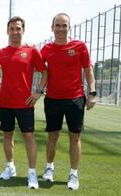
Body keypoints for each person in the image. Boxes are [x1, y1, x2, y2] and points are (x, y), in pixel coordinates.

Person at [40, 13, 96, 190]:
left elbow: (88, 71)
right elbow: (39, 69)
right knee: (52, 136)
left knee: (75, 137)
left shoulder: (79, 46)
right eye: (58, 25)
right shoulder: (46, 49)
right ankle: (49, 168)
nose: (61, 29)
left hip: (75, 99)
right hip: (53, 99)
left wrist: (92, 93)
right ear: (52, 28)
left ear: (69, 27)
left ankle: (74, 173)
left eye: (64, 25)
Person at [0, 16, 47, 189]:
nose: (15, 32)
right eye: (12, 29)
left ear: (23, 31)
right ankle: (10, 167)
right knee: (7, 135)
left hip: (25, 103)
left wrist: (38, 92)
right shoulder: (1, 53)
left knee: (29, 137)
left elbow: (45, 72)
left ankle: (32, 173)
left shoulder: (32, 51)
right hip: (6, 102)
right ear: (7, 31)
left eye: (18, 29)